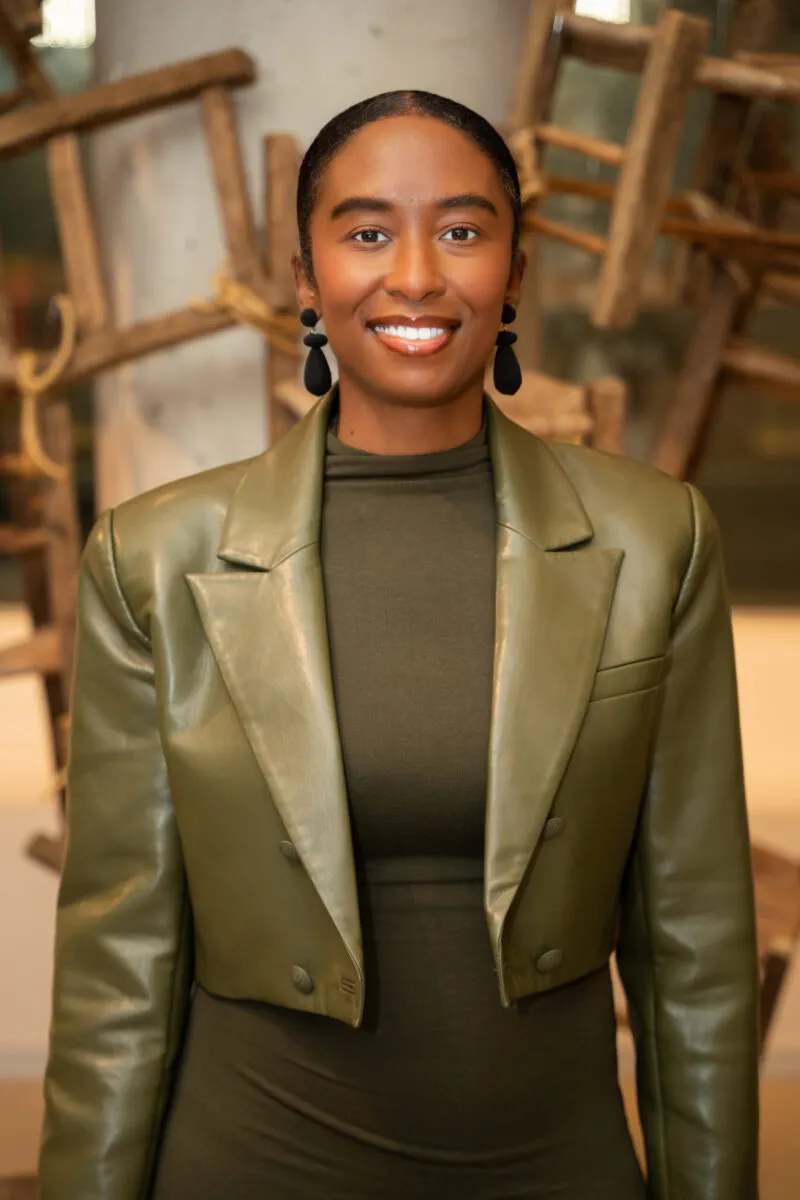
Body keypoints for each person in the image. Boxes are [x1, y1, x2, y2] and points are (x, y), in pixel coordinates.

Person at [38, 90, 759, 1200]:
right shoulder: (156, 557)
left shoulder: (653, 539)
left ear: (513, 273)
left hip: (553, 1169)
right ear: (304, 275)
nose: (415, 275)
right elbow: (117, 969)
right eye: (366, 231)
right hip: (250, 1169)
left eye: (462, 231)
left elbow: (696, 952)